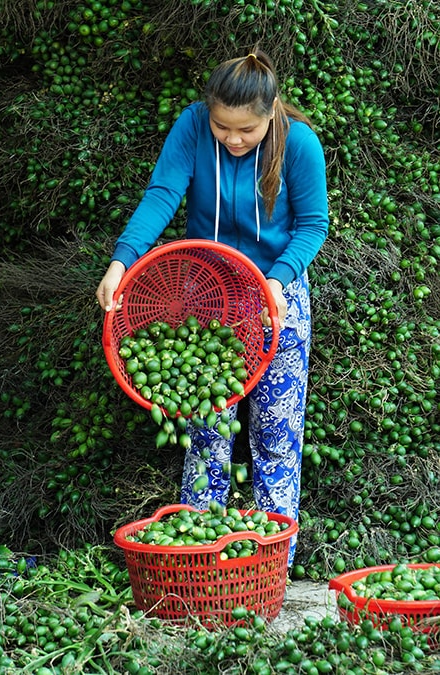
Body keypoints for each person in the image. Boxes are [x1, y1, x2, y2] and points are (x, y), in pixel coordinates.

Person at [96, 49, 329, 568]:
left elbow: (313, 226)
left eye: (246, 129)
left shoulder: (300, 144)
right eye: (223, 127)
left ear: (271, 114)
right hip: (207, 294)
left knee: (276, 431)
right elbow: (162, 194)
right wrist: (121, 261)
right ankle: (198, 551)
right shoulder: (192, 126)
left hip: (276, 292)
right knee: (207, 428)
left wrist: (277, 279)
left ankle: (275, 558)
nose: (234, 139)